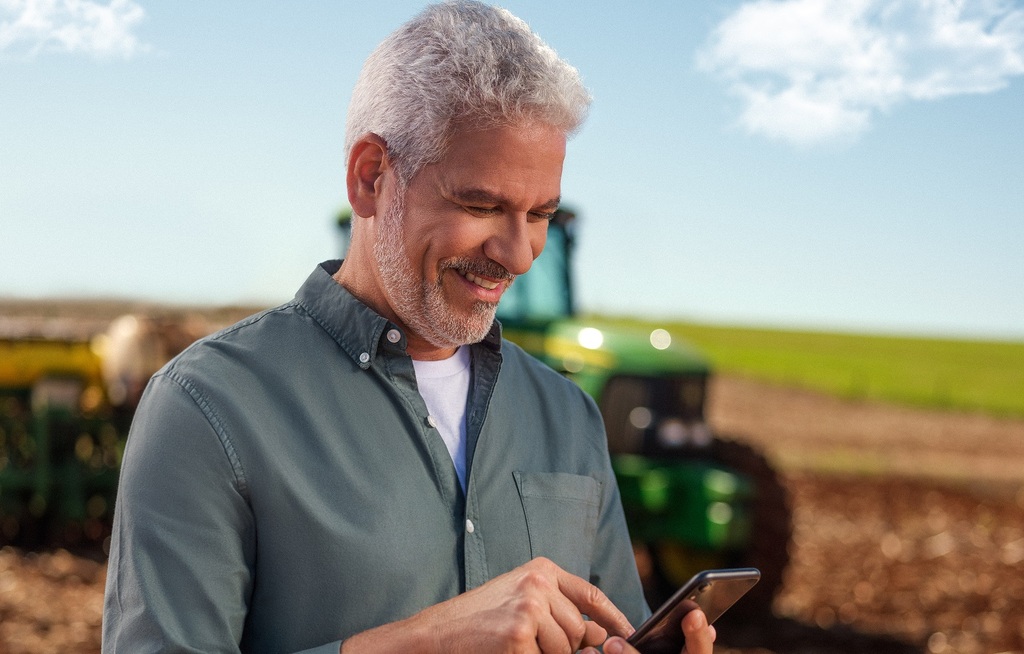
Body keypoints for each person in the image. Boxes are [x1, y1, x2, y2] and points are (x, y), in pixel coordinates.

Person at [102, 2, 718, 653]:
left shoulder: (569, 416)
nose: (518, 253)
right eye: (482, 205)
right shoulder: (207, 407)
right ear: (370, 178)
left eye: (540, 213)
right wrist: (424, 642)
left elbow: (614, 629)